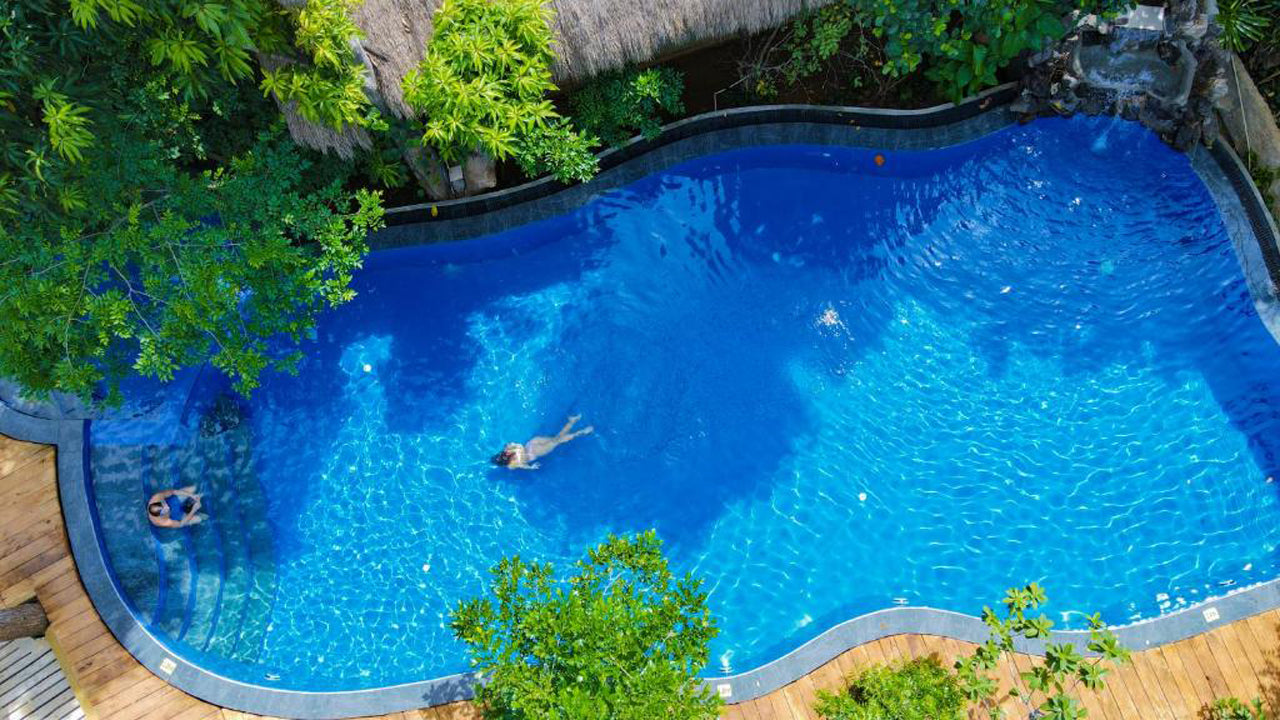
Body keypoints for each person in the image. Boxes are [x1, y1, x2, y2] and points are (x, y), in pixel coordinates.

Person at [493, 415, 594, 470]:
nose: (505, 453)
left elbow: (523, 463)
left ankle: (578, 428)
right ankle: (574, 423)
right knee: (557, 439)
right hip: (532, 445)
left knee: (557, 440)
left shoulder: (511, 462)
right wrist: (531, 467)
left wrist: (531, 466)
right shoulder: (510, 457)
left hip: (534, 449)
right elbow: (517, 447)